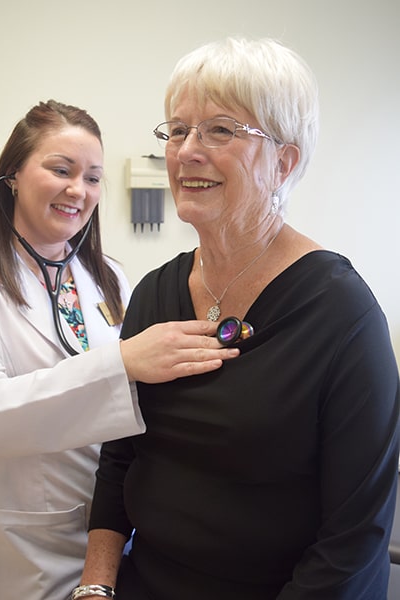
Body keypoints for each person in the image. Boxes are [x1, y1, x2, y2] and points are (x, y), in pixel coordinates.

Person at [78, 39, 400, 599]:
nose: (187, 151)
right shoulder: (156, 292)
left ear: (284, 161)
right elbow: (119, 458)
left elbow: (352, 541)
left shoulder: (342, 315)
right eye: (177, 131)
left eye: (221, 130)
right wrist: (95, 587)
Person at [0, 100, 239, 600]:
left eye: (93, 177)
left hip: (120, 524)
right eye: (61, 170)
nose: (79, 190)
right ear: (12, 177)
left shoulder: (108, 277)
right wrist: (123, 361)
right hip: (32, 541)